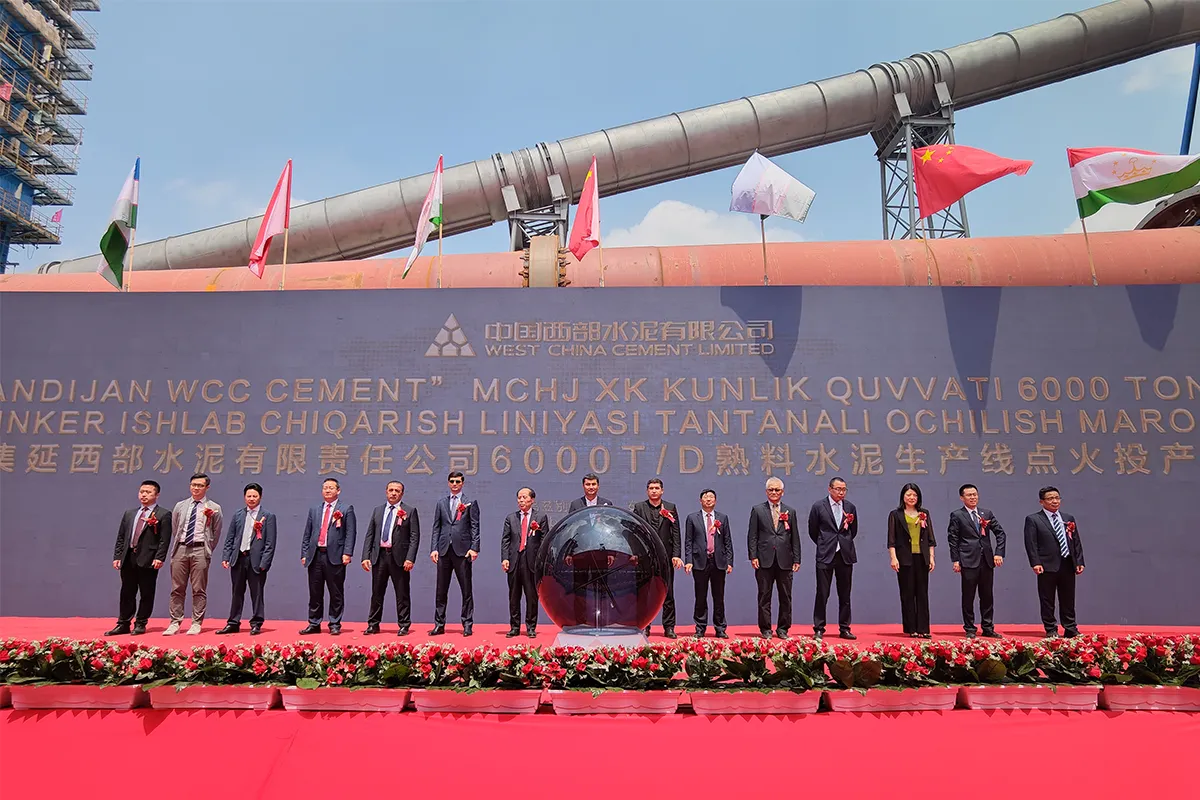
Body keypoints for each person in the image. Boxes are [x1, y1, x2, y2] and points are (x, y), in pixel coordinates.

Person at [105, 480, 172, 636]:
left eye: (148, 492)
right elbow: (121, 537)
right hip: (128, 557)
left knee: (146, 593)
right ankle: (123, 623)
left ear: (157, 495)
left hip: (149, 558)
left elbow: (164, 539)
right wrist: (118, 556)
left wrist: (160, 557)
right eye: (142, 492)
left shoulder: (163, 514)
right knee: (126, 592)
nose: (144, 495)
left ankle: (141, 623)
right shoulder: (130, 514)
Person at [165, 473, 223, 636]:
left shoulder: (214, 508)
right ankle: (175, 622)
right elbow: (176, 528)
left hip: (200, 550)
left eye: (200, 485)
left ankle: (196, 623)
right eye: (193, 485)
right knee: (177, 588)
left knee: (198, 589)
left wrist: (207, 548)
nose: (196, 488)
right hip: (181, 548)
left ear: (207, 487)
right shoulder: (180, 506)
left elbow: (216, 532)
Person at [1024, 486, 1085, 638]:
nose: (1055, 501)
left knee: (1068, 598)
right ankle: (1051, 628)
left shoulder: (1068, 518)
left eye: (1057, 498)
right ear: (1041, 501)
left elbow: (1076, 541)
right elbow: (1031, 543)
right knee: (1047, 599)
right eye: (1050, 498)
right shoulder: (1034, 519)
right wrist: (1035, 562)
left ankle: (1070, 628)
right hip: (1046, 565)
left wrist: (1079, 561)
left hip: (1067, 563)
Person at [361, 480, 420, 636]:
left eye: (397, 491)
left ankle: (404, 624)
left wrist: (410, 558)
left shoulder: (410, 511)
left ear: (402, 493)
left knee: (402, 593)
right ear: (386, 492)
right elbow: (370, 535)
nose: (394, 493)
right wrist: (365, 556)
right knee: (377, 593)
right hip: (379, 556)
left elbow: (414, 537)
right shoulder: (378, 511)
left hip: (399, 559)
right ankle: (373, 624)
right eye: (391, 490)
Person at [947, 483, 1006, 639]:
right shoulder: (957, 515)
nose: (973, 497)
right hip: (968, 560)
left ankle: (988, 627)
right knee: (968, 596)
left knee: (987, 596)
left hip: (986, 560)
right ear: (962, 498)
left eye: (975, 494)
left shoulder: (986, 513)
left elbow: (1000, 533)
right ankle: (970, 628)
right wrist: (956, 560)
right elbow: (953, 539)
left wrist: (999, 553)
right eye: (969, 495)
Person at [299, 478, 357, 636]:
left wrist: (347, 553)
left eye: (331, 488)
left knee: (335, 592)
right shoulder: (314, 509)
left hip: (335, 556)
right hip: (315, 555)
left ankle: (334, 623)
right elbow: (307, 533)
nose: (328, 490)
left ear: (338, 490)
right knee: (315, 592)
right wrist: (304, 553)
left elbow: (350, 533)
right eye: (325, 487)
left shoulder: (346, 509)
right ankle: (314, 623)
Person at [217, 483, 276, 635]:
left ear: (260, 497)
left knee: (257, 593)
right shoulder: (238, 515)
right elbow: (230, 538)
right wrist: (226, 556)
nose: (251, 499)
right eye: (249, 496)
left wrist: (265, 563)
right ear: (244, 497)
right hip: (238, 558)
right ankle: (233, 622)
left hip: (256, 561)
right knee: (236, 592)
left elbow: (270, 543)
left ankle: (256, 623)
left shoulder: (268, 516)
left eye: (254, 496)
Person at [747, 477, 801, 639]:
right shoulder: (758, 510)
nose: (774, 492)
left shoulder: (790, 511)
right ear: (766, 492)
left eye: (777, 490)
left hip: (785, 560)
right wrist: (753, 556)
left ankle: (783, 629)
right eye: (771, 489)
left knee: (786, 597)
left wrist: (797, 559)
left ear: (782, 492)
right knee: (764, 596)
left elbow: (795, 537)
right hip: (764, 559)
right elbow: (752, 535)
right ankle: (765, 629)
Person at [430, 471, 480, 637]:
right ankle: (439, 624)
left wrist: (474, 548)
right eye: (452, 481)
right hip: (444, 550)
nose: (454, 484)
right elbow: (436, 527)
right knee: (441, 590)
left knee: (466, 590)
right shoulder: (441, 503)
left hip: (463, 551)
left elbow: (475, 526)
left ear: (462, 483)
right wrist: (434, 548)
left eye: (458, 481)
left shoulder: (470, 502)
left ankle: (467, 624)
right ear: (448, 483)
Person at [808, 476, 859, 640]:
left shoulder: (850, 507)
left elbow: (853, 531)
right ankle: (819, 628)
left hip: (845, 554)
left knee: (845, 594)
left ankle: (844, 628)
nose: (841, 492)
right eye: (838, 489)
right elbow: (813, 530)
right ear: (830, 489)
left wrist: (843, 543)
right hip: (825, 554)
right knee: (822, 593)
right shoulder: (818, 506)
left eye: (844, 489)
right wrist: (824, 543)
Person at [632, 477, 682, 638]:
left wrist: (676, 555)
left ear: (662, 491)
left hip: (666, 558)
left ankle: (669, 627)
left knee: (668, 592)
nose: (654, 491)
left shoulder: (670, 507)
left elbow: (676, 533)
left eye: (657, 488)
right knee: (645, 592)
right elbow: (634, 532)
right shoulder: (639, 507)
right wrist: (635, 553)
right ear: (647, 491)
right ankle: (645, 625)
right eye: (651, 488)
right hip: (646, 557)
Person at [886, 483, 936, 639]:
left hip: (922, 557)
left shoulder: (924, 513)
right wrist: (893, 558)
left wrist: (931, 557)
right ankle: (911, 628)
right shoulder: (896, 514)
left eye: (915, 495)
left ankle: (923, 628)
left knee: (922, 593)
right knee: (907, 593)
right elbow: (891, 539)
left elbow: (930, 538)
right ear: (903, 497)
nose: (912, 497)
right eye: (908, 495)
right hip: (904, 558)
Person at [684, 489, 733, 638]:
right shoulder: (692, 518)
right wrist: (689, 561)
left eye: (711, 497)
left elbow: (727, 541)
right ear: (700, 501)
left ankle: (720, 628)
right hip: (700, 562)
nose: (708, 499)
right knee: (700, 596)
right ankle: (700, 628)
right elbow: (688, 541)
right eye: (705, 497)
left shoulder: (722, 518)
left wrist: (729, 561)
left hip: (718, 562)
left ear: (715, 500)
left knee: (719, 597)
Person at [500, 487, 549, 638]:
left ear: (532, 500)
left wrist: (540, 562)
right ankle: (514, 627)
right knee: (514, 596)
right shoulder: (511, 518)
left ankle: (531, 627)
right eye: (519, 498)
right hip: (514, 561)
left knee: (531, 596)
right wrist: (505, 558)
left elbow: (544, 541)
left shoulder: (540, 517)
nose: (521, 500)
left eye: (524, 497)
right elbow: (505, 540)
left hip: (531, 562)